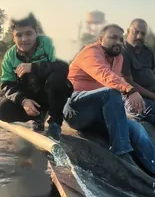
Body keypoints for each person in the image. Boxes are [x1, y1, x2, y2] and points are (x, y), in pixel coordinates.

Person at [63, 24, 155, 175]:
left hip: (98, 113)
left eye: (120, 39)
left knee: (137, 129)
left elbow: (115, 84)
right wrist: (130, 90)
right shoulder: (91, 52)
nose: (118, 42)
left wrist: (128, 100)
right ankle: (122, 154)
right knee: (111, 92)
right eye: (113, 37)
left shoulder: (118, 59)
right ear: (100, 39)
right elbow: (105, 76)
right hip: (75, 108)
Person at [0, 13, 73, 141]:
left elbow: (63, 67)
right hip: (29, 95)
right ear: (13, 36)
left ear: (36, 32)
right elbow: (6, 84)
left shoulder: (49, 44)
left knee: (56, 78)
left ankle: (55, 123)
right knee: (2, 111)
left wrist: (34, 67)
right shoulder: (9, 56)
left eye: (29, 33)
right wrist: (23, 100)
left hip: (50, 93)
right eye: (19, 35)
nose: (24, 39)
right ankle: (38, 116)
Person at [122, 18, 155, 124]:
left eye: (143, 34)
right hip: (134, 97)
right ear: (128, 31)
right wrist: (153, 96)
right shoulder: (122, 52)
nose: (139, 36)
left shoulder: (148, 51)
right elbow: (129, 84)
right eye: (136, 32)